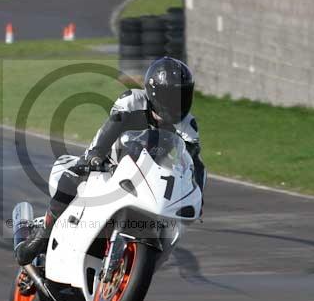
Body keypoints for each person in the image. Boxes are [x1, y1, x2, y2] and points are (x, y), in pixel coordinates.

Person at [15, 57, 207, 266]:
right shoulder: (132, 101)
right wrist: (95, 155)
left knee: (169, 224)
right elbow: (110, 129)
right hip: (109, 164)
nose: (177, 103)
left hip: (150, 180)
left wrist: (197, 193)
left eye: (183, 95)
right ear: (155, 93)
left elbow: (194, 162)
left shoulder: (188, 126)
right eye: (171, 96)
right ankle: (40, 237)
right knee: (70, 178)